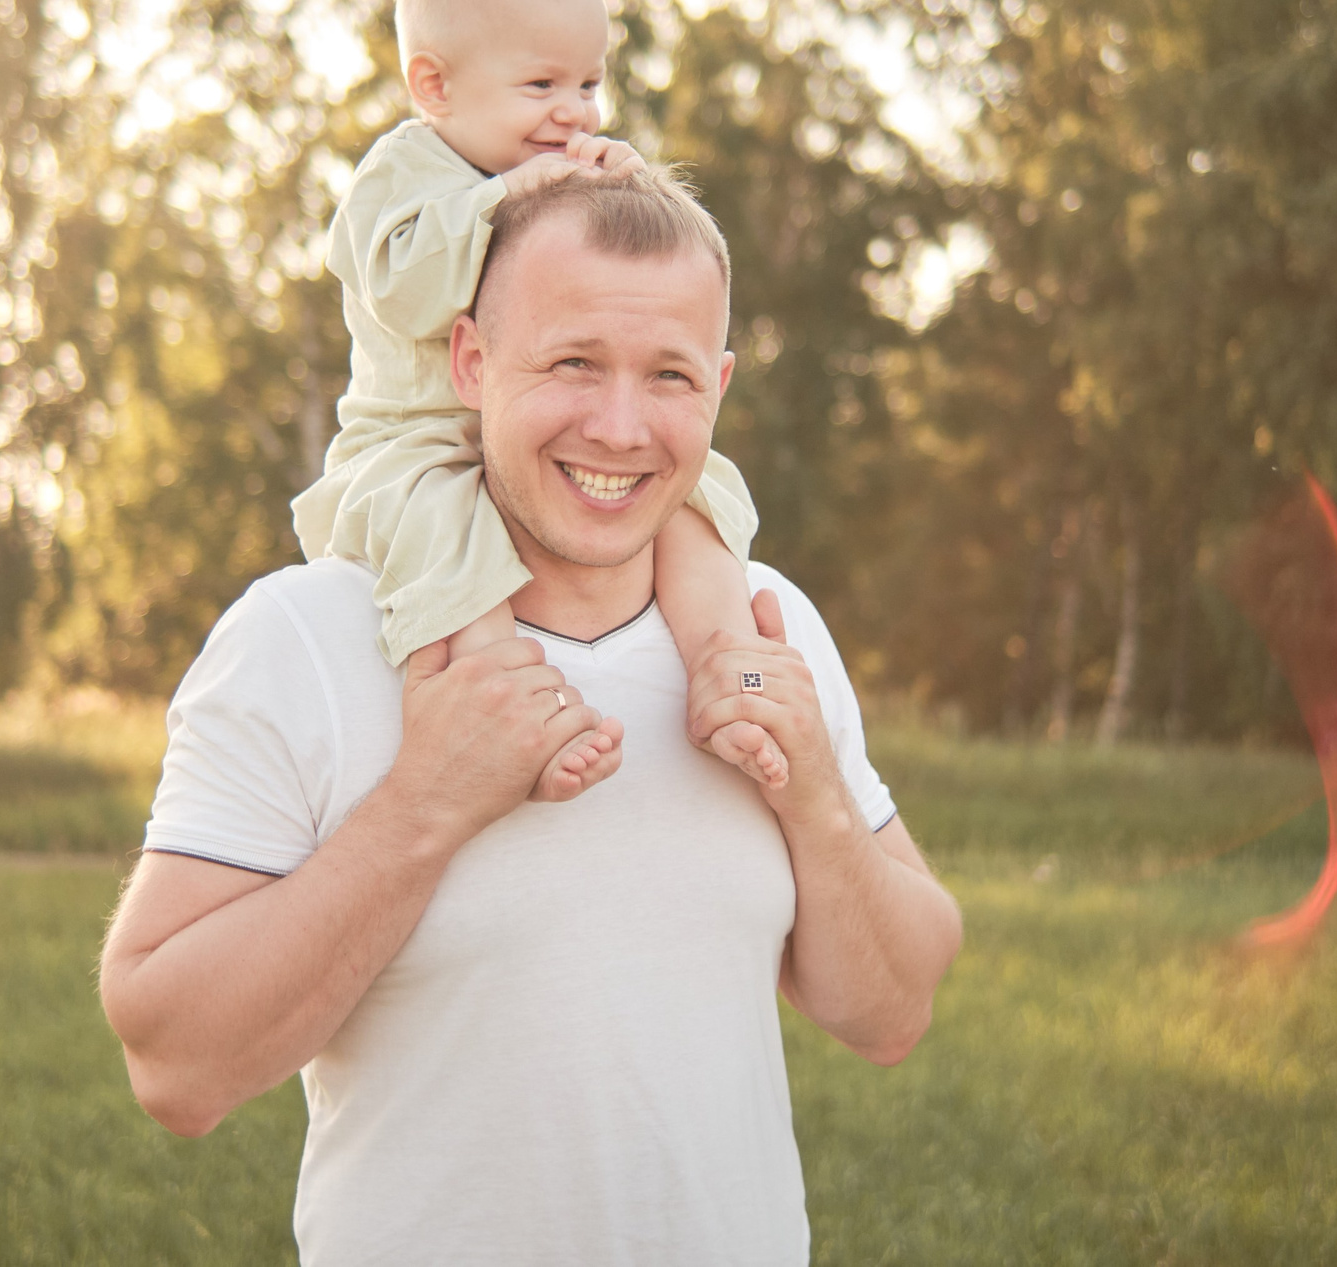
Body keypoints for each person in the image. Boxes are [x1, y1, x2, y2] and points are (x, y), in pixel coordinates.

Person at [100, 168, 963, 1266]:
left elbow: (892, 1013)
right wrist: (427, 804)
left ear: (721, 387)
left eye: (669, 376)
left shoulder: (762, 627)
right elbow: (173, 1067)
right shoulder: (305, 637)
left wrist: (816, 802)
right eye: (571, 363)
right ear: (469, 361)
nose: (619, 426)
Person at [290, 0, 786, 791]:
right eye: (541, 87)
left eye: (589, 87)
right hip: (419, 446)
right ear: (435, 86)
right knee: (449, 536)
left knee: (699, 499)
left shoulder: (549, 172)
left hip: (537, 439)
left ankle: (730, 664)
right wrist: (516, 190)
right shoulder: (403, 176)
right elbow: (406, 287)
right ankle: (502, 703)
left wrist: (621, 194)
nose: (572, 113)